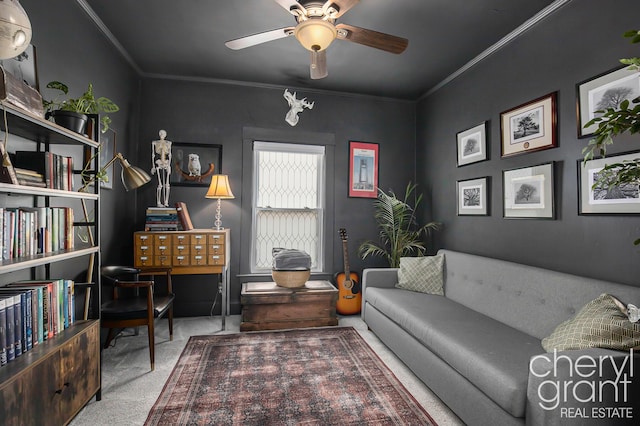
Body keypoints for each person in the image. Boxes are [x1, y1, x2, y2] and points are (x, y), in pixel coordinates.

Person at [151, 129, 172, 207]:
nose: (161, 134)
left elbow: (170, 155)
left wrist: (169, 165)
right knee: (160, 185)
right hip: (159, 163)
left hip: (166, 162)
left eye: (163, 133)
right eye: (160, 133)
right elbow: (153, 155)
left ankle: (166, 202)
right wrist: (153, 166)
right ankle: (159, 202)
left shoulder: (168, 143)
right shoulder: (155, 143)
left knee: (167, 184)